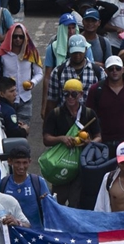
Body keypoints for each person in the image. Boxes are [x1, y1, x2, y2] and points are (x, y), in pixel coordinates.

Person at [42, 78, 101, 207]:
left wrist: (89, 142)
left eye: (74, 94)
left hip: (81, 165)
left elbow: (98, 137)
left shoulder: (89, 113)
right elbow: (46, 139)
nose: (70, 97)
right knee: (58, 202)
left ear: (80, 95)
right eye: (66, 94)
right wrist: (61, 139)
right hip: (61, 164)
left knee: (76, 202)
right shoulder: (56, 114)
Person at [86, 56, 124, 155]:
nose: (114, 71)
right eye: (111, 69)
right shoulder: (96, 90)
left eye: (118, 68)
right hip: (103, 142)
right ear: (106, 71)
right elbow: (89, 115)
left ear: (123, 70)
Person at [0, 22, 43, 124]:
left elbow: (39, 73)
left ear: (25, 38)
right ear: (10, 37)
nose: (18, 39)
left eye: (21, 37)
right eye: (15, 36)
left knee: (23, 131)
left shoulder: (31, 53)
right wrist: (5, 85)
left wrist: (33, 82)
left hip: (25, 100)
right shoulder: (2, 54)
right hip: (6, 101)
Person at [0, 141, 48, 229]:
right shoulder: (4, 183)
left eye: (25, 163)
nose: (21, 166)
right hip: (13, 234)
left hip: (36, 234)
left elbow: (51, 208)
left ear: (30, 162)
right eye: (17, 162)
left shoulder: (38, 182)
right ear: (10, 161)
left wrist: (46, 201)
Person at [45, 34, 98, 116]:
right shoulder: (58, 72)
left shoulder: (97, 72)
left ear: (86, 50)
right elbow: (52, 101)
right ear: (68, 50)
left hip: (89, 121)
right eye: (74, 52)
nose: (77, 55)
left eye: (80, 52)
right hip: (64, 121)